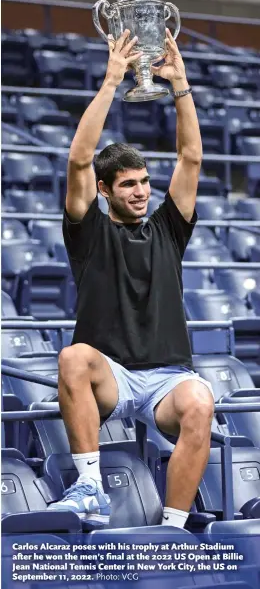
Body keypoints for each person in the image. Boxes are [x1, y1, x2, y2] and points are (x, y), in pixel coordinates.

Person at [48, 27, 214, 528]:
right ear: (104, 190)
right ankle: (89, 488)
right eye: (128, 185)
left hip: (166, 377)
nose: (141, 192)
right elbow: (78, 159)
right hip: (112, 376)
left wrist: (180, 85)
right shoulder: (88, 229)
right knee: (73, 357)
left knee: (200, 401)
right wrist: (111, 82)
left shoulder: (168, 227)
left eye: (144, 182)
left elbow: (191, 157)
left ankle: (173, 529)